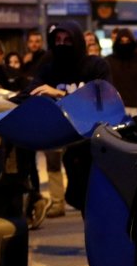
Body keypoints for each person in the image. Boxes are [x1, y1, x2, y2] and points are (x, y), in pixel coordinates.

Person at [22, 22, 111, 217]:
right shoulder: (49, 69)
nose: (62, 45)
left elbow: (102, 98)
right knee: (77, 196)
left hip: (92, 142)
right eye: (58, 40)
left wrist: (61, 94)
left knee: (96, 204)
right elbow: (30, 92)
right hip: (63, 139)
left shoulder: (95, 66)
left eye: (67, 40)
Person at [105, 27, 137, 107]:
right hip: (115, 108)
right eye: (121, 41)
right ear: (117, 42)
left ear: (133, 41)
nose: (125, 44)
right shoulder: (108, 61)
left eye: (128, 41)